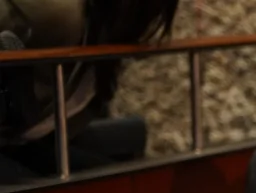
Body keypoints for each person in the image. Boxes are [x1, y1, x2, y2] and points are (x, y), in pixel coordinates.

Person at [0, 0, 180, 179]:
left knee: (119, 182)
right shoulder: (60, 13)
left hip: (24, 140)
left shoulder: (107, 37)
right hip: (15, 137)